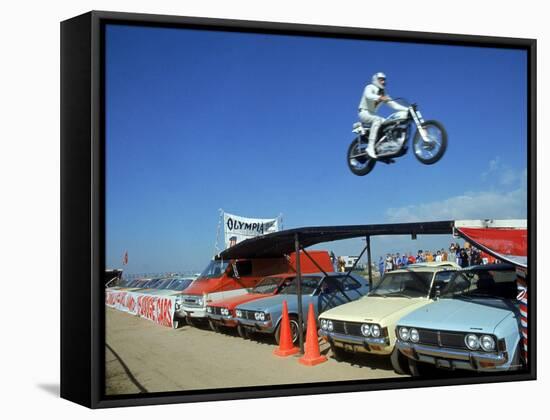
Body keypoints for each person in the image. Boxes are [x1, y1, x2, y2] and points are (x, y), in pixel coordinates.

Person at [357, 72, 408, 159]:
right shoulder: (370, 87)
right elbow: (368, 95)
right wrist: (380, 98)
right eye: (381, 80)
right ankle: (370, 148)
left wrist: (407, 109)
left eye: (384, 80)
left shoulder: (383, 93)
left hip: (372, 114)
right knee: (377, 120)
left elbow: (394, 105)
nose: (383, 82)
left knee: (389, 124)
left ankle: (386, 148)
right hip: (364, 112)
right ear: (376, 80)